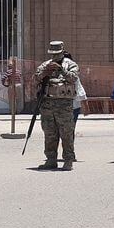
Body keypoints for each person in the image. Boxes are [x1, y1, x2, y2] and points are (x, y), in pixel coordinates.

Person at [34, 41, 80, 171]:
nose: (54, 56)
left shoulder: (71, 65)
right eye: (52, 54)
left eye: (57, 53)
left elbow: (74, 78)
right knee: (49, 133)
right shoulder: (45, 65)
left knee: (66, 133)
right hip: (47, 104)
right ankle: (51, 159)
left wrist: (61, 70)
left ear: (62, 51)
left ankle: (68, 160)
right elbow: (35, 79)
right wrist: (44, 73)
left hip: (64, 105)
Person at [63, 51, 87, 126]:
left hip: (59, 105)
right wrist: (86, 108)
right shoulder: (73, 75)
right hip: (74, 106)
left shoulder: (54, 71)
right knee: (71, 128)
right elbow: (80, 91)